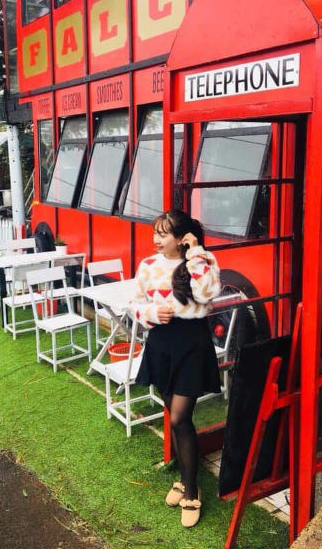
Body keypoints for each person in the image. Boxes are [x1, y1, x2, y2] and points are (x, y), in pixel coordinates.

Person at [131, 210, 223, 529]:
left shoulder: (202, 261)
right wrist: (151, 313)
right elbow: (135, 304)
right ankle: (184, 480)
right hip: (161, 342)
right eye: (155, 233)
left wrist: (195, 253)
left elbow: (208, 293)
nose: (156, 240)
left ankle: (192, 492)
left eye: (164, 234)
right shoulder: (148, 265)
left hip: (192, 343)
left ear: (182, 238)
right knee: (175, 416)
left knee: (180, 418)